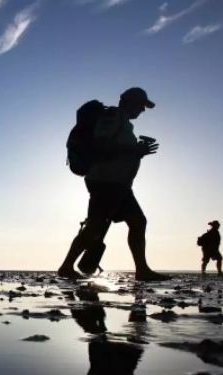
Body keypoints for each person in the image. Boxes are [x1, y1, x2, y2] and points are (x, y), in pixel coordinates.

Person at [57, 87, 170, 282]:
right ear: (129, 101)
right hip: (105, 182)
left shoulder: (124, 123)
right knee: (96, 226)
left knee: (134, 222)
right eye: (141, 105)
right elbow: (101, 145)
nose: (142, 110)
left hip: (118, 184)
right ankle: (66, 267)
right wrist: (134, 150)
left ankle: (142, 270)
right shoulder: (112, 116)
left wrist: (137, 151)